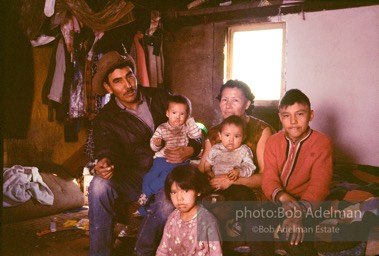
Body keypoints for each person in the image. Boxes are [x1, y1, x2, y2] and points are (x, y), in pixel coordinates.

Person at [88, 51, 202, 256]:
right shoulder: (106, 117)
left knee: (167, 205)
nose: (128, 85)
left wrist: (191, 149)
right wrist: (104, 162)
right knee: (98, 186)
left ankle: (142, 251)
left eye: (130, 75)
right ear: (108, 87)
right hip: (134, 176)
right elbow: (106, 147)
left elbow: (196, 130)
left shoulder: (160, 97)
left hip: (170, 172)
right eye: (118, 81)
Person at [245, 89, 333, 255]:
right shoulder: (273, 141)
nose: (293, 121)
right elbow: (269, 178)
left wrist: (297, 214)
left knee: (292, 235)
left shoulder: (322, 143)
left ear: (311, 115)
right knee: (253, 221)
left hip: (308, 204)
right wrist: (282, 197)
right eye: (286, 115)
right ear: (280, 118)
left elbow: (319, 185)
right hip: (280, 201)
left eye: (300, 114)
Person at [198, 79, 275, 195]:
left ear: (247, 104)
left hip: (246, 190)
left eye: (235, 100)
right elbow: (202, 168)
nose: (228, 106)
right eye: (224, 100)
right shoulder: (215, 132)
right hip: (216, 187)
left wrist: (232, 180)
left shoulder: (261, 129)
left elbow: (266, 176)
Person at [136, 94, 202, 216]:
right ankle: (143, 203)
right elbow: (153, 145)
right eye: (174, 113)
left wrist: (190, 120)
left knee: (166, 179)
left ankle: (149, 192)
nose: (178, 117)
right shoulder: (162, 128)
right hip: (161, 160)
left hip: (179, 163)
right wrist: (157, 144)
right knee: (149, 177)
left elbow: (197, 135)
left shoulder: (186, 127)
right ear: (167, 113)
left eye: (182, 114)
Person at [156, 165, 223, 255]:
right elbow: (162, 251)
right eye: (174, 192)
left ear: (198, 191)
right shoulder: (173, 218)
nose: (179, 198)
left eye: (186, 190)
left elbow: (216, 253)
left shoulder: (208, 223)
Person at [204, 115, 256, 200]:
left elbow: (250, 167)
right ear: (220, 135)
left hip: (234, 184)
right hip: (215, 182)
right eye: (227, 135)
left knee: (244, 194)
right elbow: (207, 164)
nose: (231, 140)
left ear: (243, 137)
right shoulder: (216, 149)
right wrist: (208, 171)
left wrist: (239, 171)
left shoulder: (244, 150)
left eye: (236, 136)